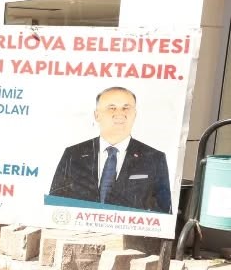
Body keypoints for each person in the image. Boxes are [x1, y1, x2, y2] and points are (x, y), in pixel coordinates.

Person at [48, 86, 171, 214]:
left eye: (126, 108)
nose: (120, 114)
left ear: (135, 114)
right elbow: (54, 204)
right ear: (97, 115)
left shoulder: (154, 158)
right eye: (111, 108)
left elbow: (163, 212)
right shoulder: (73, 154)